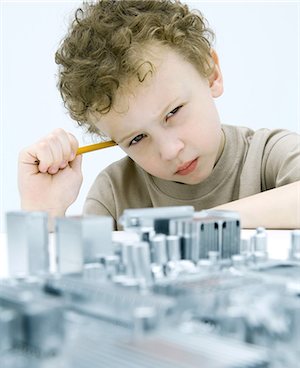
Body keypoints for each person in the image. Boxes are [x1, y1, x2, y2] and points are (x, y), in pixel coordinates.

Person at [18, 0, 300, 231]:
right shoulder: (114, 195)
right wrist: (44, 215)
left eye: (173, 112)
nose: (169, 151)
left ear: (210, 73)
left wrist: (203, 222)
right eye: (137, 138)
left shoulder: (269, 156)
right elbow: (69, 290)